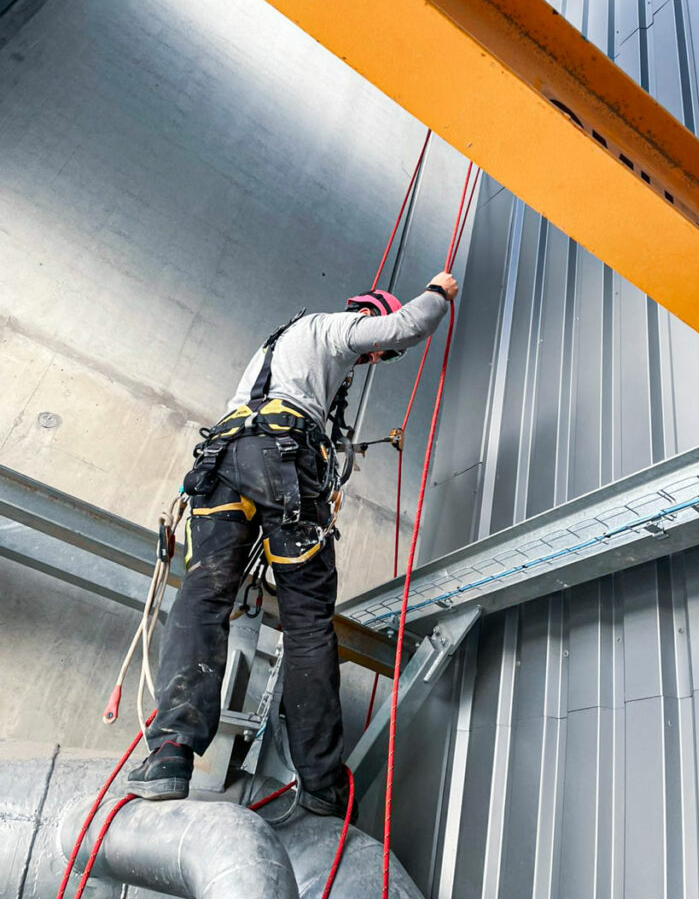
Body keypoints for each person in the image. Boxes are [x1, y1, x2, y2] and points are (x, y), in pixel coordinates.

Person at [127, 271, 458, 818]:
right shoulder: (332, 327)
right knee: (306, 623)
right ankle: (324, 782)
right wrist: (438, 294)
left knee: (203, 599)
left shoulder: (276, 349)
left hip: (221, 464)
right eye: (372, 353)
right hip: (285, 459)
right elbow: (406, 326)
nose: (370, 360)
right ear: (364, 315)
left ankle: (170, 754)